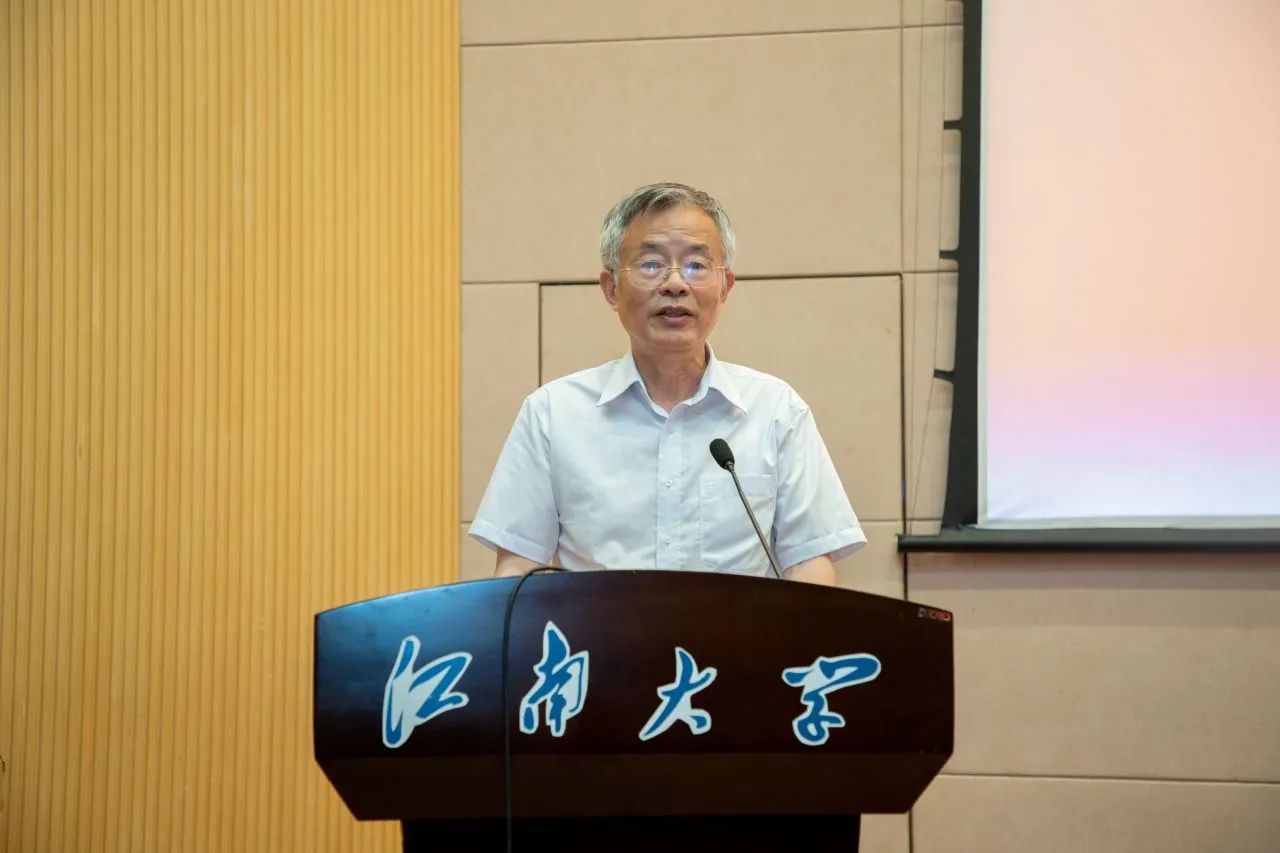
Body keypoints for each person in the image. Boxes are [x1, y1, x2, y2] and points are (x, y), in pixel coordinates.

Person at [469, 183, 865, 585]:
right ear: (611, 288)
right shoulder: (553, 414)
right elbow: (518, 570)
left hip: (739, 630)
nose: (675, 284)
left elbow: (809, 565)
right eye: (651, 264)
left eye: (696, 265)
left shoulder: (777, 411)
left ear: (724, 287)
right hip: (602, 629)